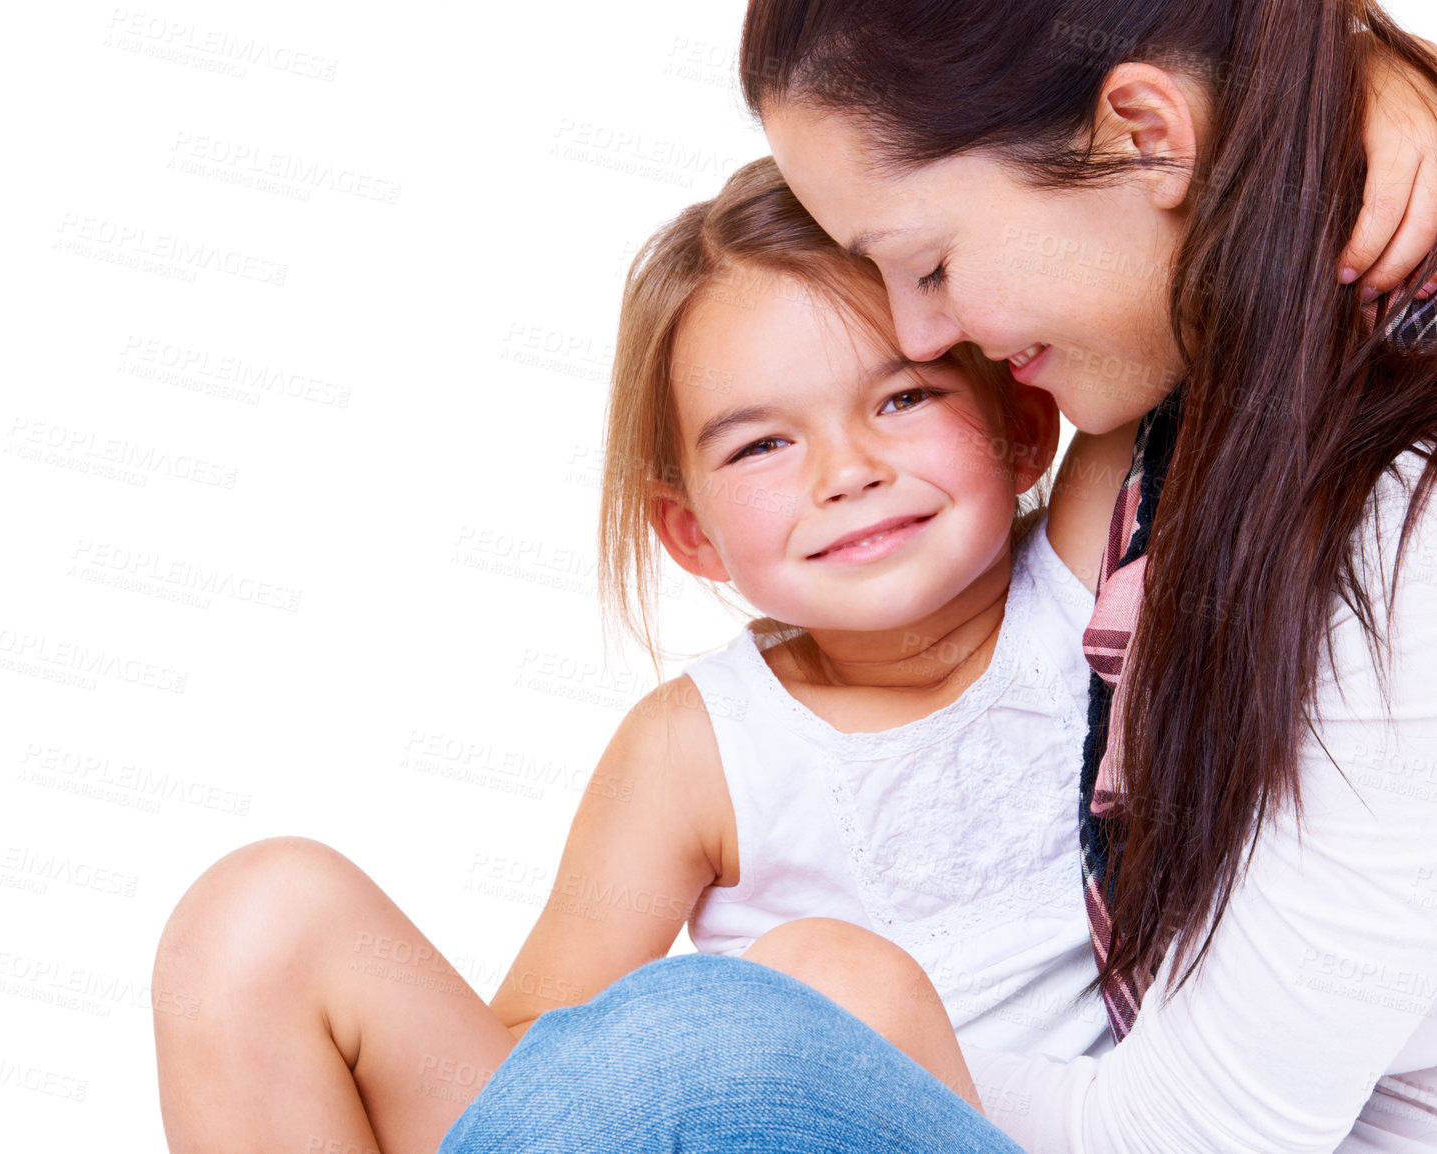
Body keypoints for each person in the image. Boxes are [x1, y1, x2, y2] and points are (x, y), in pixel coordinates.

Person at [438, 1, 1437, 1151]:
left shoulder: (1390, 530)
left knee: (706, 1041)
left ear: (1143, 134)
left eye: (929, 262)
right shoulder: (1203, 401)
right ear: (690, 529)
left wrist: (817, 1036)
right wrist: (1362, 74)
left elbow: (1205, 1134)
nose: (922, 334)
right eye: (761, 444)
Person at [150, 154, 1144, 1153]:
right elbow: (541, 1066)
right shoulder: (697, 747)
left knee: (833, 980)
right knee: (260, 917)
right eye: (761, 446)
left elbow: (1191, 303)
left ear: (1024, 423)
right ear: (692, 532)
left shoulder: (1084, 569)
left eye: (903, 399)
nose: (847, 471)